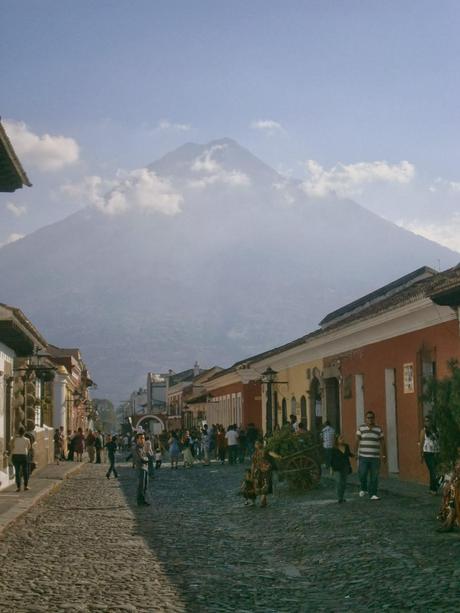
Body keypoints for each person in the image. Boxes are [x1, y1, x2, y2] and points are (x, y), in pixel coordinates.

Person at [355, 411, 386, 500]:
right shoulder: (361, 428)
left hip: (375, 458)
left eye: (372, 417)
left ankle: (373, 494)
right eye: (368, 417)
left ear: (374, 418)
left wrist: (384, 455)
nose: (370, 419)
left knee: (374, 476)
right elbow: (357, 441)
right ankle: (364, 488)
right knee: (362, 474)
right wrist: (356, 453)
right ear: (365, 419)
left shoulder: (378, 429)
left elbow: (382, 442)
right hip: (363, 456)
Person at [437, 447, 460, 532]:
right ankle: (448, 523)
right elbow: (455, 473)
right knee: (452, 502)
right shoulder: (458, 460)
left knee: (455, 502)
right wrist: (450, 483)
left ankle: (448, 524)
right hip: (456, 486)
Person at [250, 440, 279, 508]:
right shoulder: (255, 454)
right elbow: (253, 464)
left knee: (265, 484)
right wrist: (252, 473)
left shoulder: (265, 451)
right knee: (261, 485)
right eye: (256, 443)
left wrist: (278, 456)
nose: (256, 445)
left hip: (266, 470)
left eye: (258, 443)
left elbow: (272, 453)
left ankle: (263, 501)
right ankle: (263, 501)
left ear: (261, 444)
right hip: (259, 471)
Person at [419, 416, 440, 495]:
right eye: (425, 421)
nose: (427, 422)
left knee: (435, 471)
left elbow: (439, 441)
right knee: (433, 470)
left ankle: (432, 488)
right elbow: (421, 443)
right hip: (428, 453)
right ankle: (434, 489)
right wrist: (421, 455)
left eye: (428, 421)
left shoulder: (436, 430)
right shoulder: (423, 431)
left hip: (437, 452)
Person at [330, 434, 354, 503]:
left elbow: (348, 454)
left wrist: (354, 456)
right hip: (337, 467)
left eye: (343, 438)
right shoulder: (334, 448)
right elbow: (331, 459)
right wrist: (331, 469)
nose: (342, 439)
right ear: (337, 440)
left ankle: (342, 497)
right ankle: (339, 497)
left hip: (345, 466)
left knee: (344, 483)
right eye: (340, 438)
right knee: (339, 482)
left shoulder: (346, 446)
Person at [10, 426, 31, 492]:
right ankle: (25, 486)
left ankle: (18, 487)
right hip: (24, 456)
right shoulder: (27, 439)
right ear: (24, 432)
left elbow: (10, 445)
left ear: (18, 432)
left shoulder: (14, 439)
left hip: (15, 456)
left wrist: (14, 438)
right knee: (25, 471)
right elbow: (29, 447)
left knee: (17, 471)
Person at [133, 432, 150, 506]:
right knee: (141, 486)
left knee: (145, 485)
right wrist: (147, 459)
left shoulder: (143, 447)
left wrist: (147, 457)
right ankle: (139, 501)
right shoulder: (136, 448)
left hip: (145, 468)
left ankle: (143, 500)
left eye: (143, 438)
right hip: (141, 468)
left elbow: (148, 455)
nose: (143, 440)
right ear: (137, 440)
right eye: (141, 438)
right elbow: (141, 459)